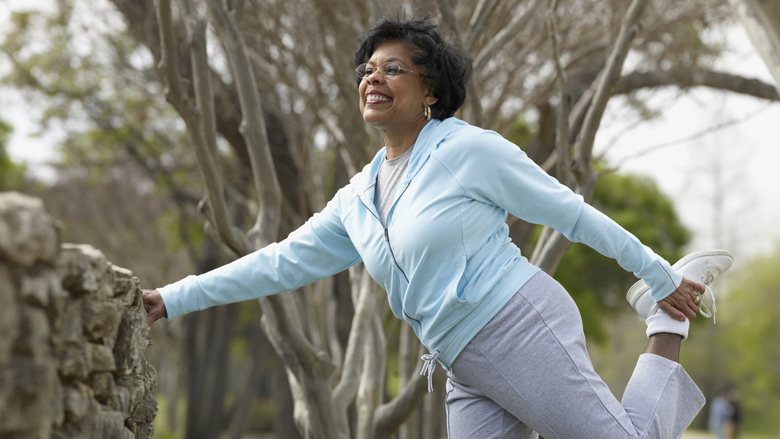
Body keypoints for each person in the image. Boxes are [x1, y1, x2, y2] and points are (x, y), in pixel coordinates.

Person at [143, 15, 734, 438]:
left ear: (428, 89)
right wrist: (171, 299)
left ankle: (665, 325)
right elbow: (276, 262)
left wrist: (656, 275)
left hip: (518, 325)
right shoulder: (358, 198)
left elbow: (569, 211)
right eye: (366, 70)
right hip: (461, 358)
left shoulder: (467, 150)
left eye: (392, 69)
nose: (371, 79)